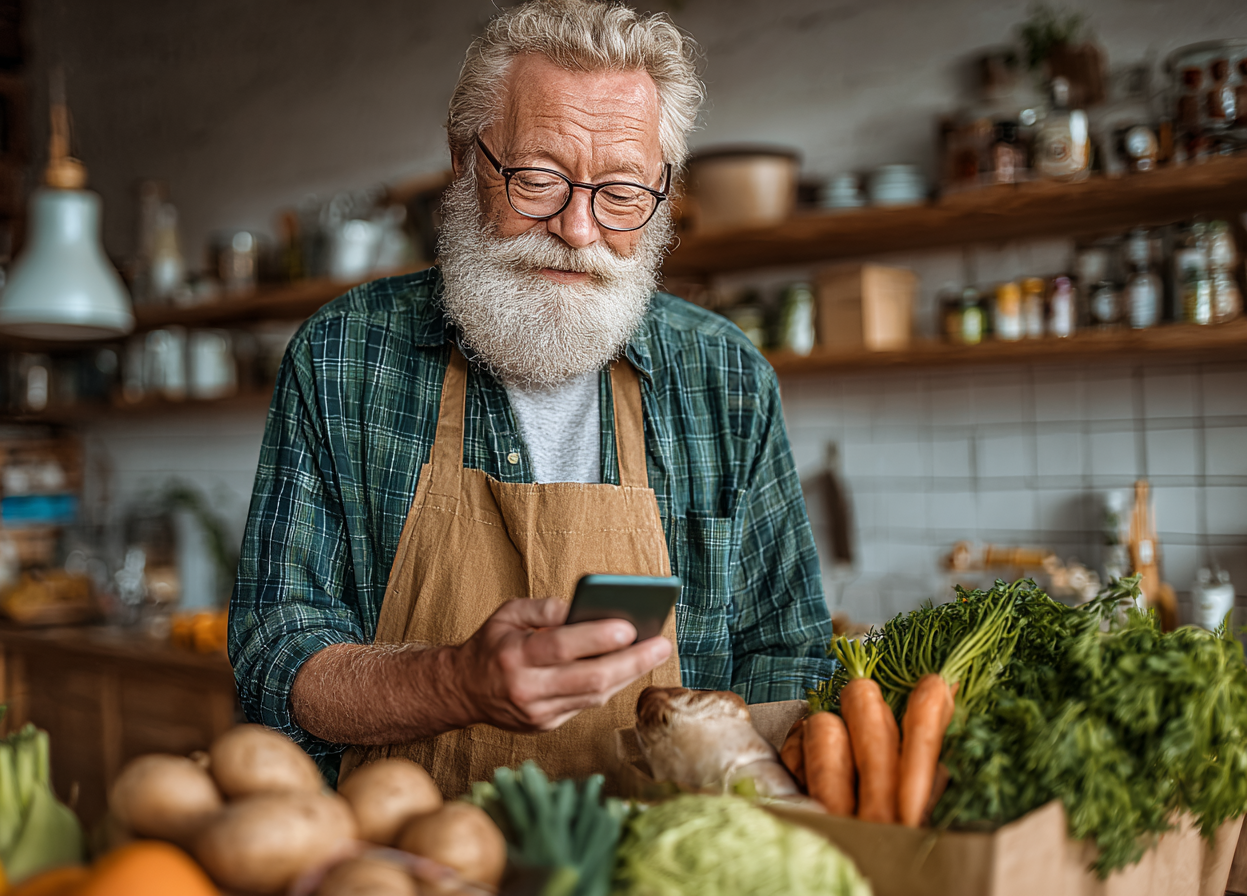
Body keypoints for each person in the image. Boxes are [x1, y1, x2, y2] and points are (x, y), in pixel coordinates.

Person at [230, 0, 833, 796]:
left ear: (664, 191)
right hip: (407, 863)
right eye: (539, 178)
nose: (578, 229)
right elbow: (274, 655)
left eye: (621, 193)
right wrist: (453, 682)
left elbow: (787, 657)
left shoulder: (725, 377)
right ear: (464, 159)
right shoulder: (346, 354)